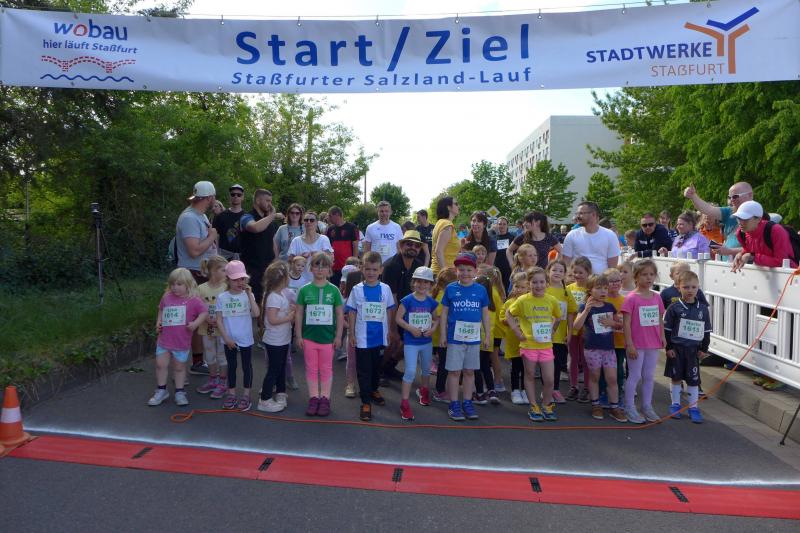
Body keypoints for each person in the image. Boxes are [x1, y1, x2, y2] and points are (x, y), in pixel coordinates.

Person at [439, 252, 492, 421]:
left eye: (469, 270)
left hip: (473, 339)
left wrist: (488, 335)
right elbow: (444, 313)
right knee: (454, 371)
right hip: (454, 338)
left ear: (475, 271)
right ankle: (454, 403)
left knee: (469, 371)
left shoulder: (481, 290)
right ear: (456, 271)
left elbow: (485, 314)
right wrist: (442, 334)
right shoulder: (451, 289)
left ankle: (467, 402)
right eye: (461, 269)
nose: (465, 273)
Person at [346, 252, 396, 422]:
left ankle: (374, 389)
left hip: (380, 337)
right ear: (362, 269)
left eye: (375, 269)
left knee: (376, 367)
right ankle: (365, 401)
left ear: (381, 270)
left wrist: (390, 331)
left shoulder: (385, 289)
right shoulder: (357, 290)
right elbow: (352, 312)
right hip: (362, 338)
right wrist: (351, 333)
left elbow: (390, 310)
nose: (371, 272)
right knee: (364, 370)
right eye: (368, 269)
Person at [507, 267, 561, 422]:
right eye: (534, 282)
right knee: (529, 375)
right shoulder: (523, 300)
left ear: (547, 283)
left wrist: (553, 330)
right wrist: (517, 331)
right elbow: (509, 314)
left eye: (542, 282)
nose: (538, 285)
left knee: (549, 379)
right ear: (529, 283)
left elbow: (558, 317)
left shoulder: (551, 300)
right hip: (528, 345)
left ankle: (546, 405)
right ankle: (533, 406)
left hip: (545, 346)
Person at [148, 268, 208, 407]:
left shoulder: (194, 300)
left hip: (181, 341)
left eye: (179, 284)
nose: (175, 287)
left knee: (179, 367)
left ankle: (180, 392)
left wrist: (195, 324)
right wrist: (158, 322)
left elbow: (204, 312)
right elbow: (161, 309)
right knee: (160, 365)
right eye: (172, 284)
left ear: (188, 284)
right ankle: (161, 390)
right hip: (164, 340)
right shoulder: (167, 297)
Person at [176, 180, 218, 375]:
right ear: (209, 198)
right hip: (192, 274)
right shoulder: (189, 218)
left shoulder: (200, 216)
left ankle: (199, 360)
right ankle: (194, 362)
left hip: (201, 272)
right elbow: (193, 251)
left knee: (200, 317)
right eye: (213, 197)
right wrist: (212, 237)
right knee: (194, 318)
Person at [294, 252, 344, 417]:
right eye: (317, 265)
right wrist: (298, 335)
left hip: (328, 339)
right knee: (311, 368)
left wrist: (338, 336)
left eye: (324, 266)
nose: (320, 269)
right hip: (309, 337)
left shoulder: (334, 290)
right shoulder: (304, 290)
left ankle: (325, 398)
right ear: (311, 268)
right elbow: (299, 313)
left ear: (329, 269)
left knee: (326, 369)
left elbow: (339, 314)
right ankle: (314, 397)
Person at [573, 274, 627, 422]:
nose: (603, 291)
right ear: (590, 290)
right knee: (595, 376)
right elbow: (576, 326)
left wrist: (612, 323)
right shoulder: (585, 306)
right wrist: (586, 310)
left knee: (612, 378)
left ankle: (614, 407)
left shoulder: (610, 307)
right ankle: (595, 405)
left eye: (605, 288)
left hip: (609, 349)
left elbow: (620, 326)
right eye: (598, 288)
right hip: (592, 349)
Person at [664, 270, 711, 424]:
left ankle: (693, 408)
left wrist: (704, 349)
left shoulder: (702, 309)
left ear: (698, 288)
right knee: (676, 378)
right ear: (679, 287)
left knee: (693, 380)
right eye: (686, 287)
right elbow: (667, 330)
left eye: (693, 287)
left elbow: (706, 331)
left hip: (693, 351)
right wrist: (668, 348)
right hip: (677, 349)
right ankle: (675, 405)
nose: (690, 290)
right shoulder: (674, 308)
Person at [621, 259, 666, 424]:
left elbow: (660, 319)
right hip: (636, 344)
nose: (648, 278)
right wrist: (629, 344)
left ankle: (647, 405)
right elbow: (626, 323)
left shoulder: (657, 297)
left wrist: (662, 336)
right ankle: (629, 406)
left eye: (651, 274)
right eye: (644, 274)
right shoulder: (631, 298)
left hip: (652, 343)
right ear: (636, 277)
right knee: (634, 375)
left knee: (648, 375)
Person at [380, 230, 426, 379]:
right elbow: (391, 299)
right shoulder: (391, 266)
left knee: (410, 342)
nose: (413, 247)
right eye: (409, 244)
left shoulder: (418, 266)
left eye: (417, 245)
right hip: (388, 309)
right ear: (401, 245)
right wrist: (393, 328)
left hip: (407, 311)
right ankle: (378, 372)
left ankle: (388, 367)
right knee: (392, 341)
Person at [396, 266, 440, 420]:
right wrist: (410, 328)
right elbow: (398, 318)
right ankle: (404, 403)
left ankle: (424, 391)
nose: (422, 285)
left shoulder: (431, 302)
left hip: (426, 342)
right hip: (411, 342)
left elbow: (436, 319)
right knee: (410, 371)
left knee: (426, 369)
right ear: (413, 282)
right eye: (419, 282)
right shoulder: (407, 300)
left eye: (426, 282)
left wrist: (433, 329)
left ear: (430, 285)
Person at [215, 260, 260, 412]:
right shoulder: (222, 297)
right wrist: (226, 338)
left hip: (245, 338)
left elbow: (256, 313)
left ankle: (246, 395)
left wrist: (249, 295)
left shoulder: (248, 295)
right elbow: (219, 320)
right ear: (227, 279)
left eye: (242, 279)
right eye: (235, 280)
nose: (239, 282)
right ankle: (231, 394)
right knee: (232, 366)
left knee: (247, 366)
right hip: (229, 339)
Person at [257, 261, 296, 413]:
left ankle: (281, 392)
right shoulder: (273, 297)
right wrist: (289, 316)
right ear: (283, 279)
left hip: (283, 339)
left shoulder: (281, 294)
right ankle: (264, 400)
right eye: (288, 275)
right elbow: (272, 320)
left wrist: (290, 311)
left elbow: (280, 314)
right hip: (275, 341)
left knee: (281, 367)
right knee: (274, 369)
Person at [683, 181, 754, 259]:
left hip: (745, 265)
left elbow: (757, 249)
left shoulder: (757, 216)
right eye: (729, 197)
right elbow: (708, 210)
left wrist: (729, 251)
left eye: (735, 196)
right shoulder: (730, 211)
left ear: (750, 195)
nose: (731, 200)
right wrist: (693, 196)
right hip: (726, 264)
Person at [195, 256, 229, 399]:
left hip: (223, 330)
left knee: (222, 355)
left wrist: (220, 320)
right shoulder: (201, 289)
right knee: (210, 355)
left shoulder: (227, 288)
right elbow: (197, 307)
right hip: (206, 329)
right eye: (223, 270)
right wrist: (206, 318)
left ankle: (223, 382)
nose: (227, 273)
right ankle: (213, 379)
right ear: (214, 271)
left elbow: (230, 307)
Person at [731, 200, 799, 271]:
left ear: (758, 219)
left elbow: (781, 262)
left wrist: (752, 257)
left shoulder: (775, 230)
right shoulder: (740, 233)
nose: (740, 222)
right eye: (739, 218)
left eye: (745, 219)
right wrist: (741, 254)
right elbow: (748, 250)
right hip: (764, 274)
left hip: (791, 274)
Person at [239, 188, 279, 307]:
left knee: (268, 300)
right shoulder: (246, 216)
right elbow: (255, 227)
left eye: (270, 201)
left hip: (268, 267)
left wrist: (276, 261)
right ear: (257, 200)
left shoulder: (270, 221)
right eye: (267, 200)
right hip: (252, 268)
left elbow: (273, 241)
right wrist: (272, 215)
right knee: (253, 301)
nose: (270, 204)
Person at [545, 259, 577, 405]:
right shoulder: (544, 288)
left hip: (559, 336)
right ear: (548, 272)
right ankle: (546, 389)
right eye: (554, 270)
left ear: (565, 274)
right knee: (546, 364)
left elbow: (570, 313)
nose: (557, 273)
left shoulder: (566, 291)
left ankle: (555, 389)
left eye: (561, 271)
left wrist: (569, 333)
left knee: (558, 364)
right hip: (544, 335)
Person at [562, 201, 620, 274]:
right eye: (577, 214)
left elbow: (612, 267)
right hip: (577, 279)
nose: (578, 216)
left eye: (581, 213)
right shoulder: (571, 235)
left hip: (601, 279)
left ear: (593, 214)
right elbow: (566, 263)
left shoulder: (610, 235)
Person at [565, 256, 592, 403]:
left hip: (587, 330)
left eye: (581, 272)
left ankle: (587, 387)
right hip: (573, 329)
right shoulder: (568, 288)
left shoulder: (591, 289)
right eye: (575, 272)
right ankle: (574, 386)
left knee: (586, 360)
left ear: (588, 272)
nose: (577, 275)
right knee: (574, 358)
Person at [431, 268, 458, 403]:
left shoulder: (439, 292)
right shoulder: (444, 295)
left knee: (443, 363)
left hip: (440, 336)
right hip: (444, 336)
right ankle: (440, 390)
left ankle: (442, 389)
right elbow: (441, 316)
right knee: (444, 364)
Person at [502, 272, 528, 405]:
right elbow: (502, 318)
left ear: (528, 288)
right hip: (514, 341)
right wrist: (510, 320)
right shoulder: (509, 303)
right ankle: (515, 390)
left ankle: (525, 390)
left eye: (523, 287)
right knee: (515, 367)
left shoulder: (530, 302)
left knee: (526, 368)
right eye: (517, 286)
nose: (519, 289)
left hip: (528, 342)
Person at [326, 206, 360, 287]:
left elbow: (355, 246)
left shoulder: (352, 227)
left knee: (348, 289)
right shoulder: (330, 229)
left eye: (330, 216)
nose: (328, 218)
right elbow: (328, 248)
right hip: (334, 267)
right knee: (335, 288)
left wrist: (354, 263)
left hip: (348, 266)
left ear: (337, 215)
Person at [212, 184, 246, 259]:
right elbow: (214, 236)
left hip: (243, 257)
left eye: (239, 195)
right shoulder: (220, 216)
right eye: (233, 194)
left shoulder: (247, 217)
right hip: (224, 257)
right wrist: (216, 254)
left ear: (242, 197)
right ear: (229, 196)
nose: (236, 196)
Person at [431, 196, 460, 275]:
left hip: (438, 271)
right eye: (456, 204)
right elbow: (438, 251)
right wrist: (445, 274)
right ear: (448, 207)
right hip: (442, 273)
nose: (459, 206)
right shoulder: (447, 225)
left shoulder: (440, 222)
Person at [492, 216, 514, 289]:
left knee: (508, 287)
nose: (502, 226)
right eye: (500, 224)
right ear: (497, 225)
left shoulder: (512, 238)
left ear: (507, 225)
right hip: (496, 267)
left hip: (508, 267)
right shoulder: (493, 238)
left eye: (504, 224)